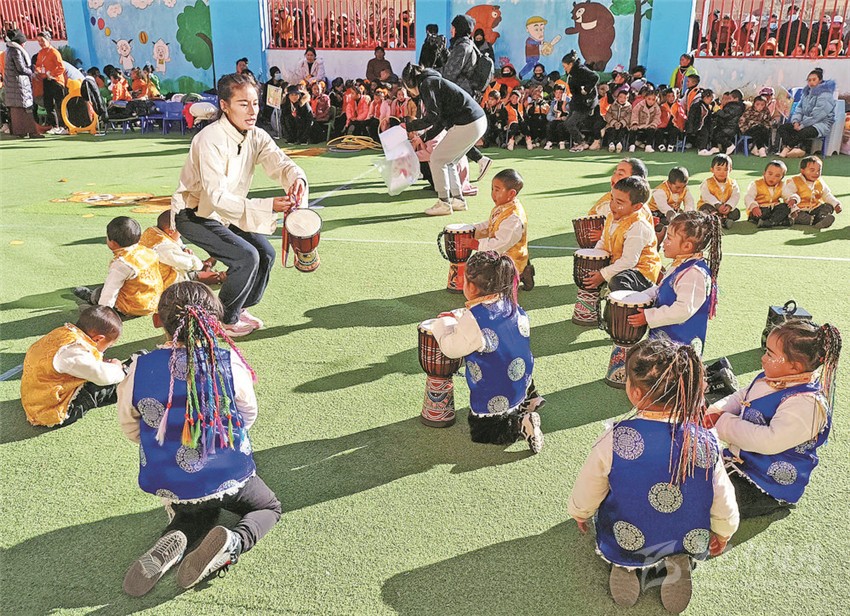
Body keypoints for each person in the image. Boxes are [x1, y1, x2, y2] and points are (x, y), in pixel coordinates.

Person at [119, 282, 281, 596]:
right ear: (214, 324)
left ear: (157, 320)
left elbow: (131, 429)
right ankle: (234, 542)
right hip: (229, 474)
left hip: (173, 483)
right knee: (269, 508)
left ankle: (178, 533)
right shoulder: (228, 362)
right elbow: (247, 415)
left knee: (196, 512)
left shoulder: (138, 369)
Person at [569, 337, 739, 612]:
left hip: (630, 531)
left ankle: (624, 565)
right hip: (685, 532)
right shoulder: (705, 441)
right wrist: (724, 529)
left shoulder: (614, 439)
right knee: (681, 531)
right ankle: (678, 560)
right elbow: (722, 493)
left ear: (635, 393)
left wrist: (580, 511)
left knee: (622, 535)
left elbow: (591, 484)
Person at [171, 72, 308, 337]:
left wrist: (297, 179)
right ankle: (223, 319)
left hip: (227, 212)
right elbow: (215, 196)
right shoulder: (209, 139)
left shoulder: (256, 135)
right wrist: (268, 206)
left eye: (255, 103)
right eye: (243, 104)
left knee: (265, 254)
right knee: (246, 257)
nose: (252, 110)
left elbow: (280, 163)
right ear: (224, 105)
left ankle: (240, 308)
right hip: (195, 213)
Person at [705, 320, 841, 519]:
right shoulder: (775, 377)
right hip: (739, 459)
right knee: (692, 476)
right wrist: (715, 411)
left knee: (706, 500)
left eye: (769, 354)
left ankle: (772, 504)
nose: (762, 358)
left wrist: (722, 422)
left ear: (795, 366)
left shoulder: (807, 404)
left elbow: (768, 441)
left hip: (764, 483)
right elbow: (742, 395)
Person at [430, 252, 544, 453]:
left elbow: (451, 349)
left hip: (498, 390)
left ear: (471, 287)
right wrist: (461, 316)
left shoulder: (474, 319)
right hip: (522, 378)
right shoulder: (509, 303)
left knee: (483, 431)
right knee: (508, 360)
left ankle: (522, 423)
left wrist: (442, 325)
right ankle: (530, 398)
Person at [628, 211, 721, 357]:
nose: (664, 241)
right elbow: (662, 289)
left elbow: (683, 310)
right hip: (667, 340)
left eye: (669, 238)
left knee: (672, 369)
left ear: (687, 246)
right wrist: (639, 297)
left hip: (680, 345)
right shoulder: (682, 264)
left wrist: (649, 316)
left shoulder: (693, 274)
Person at [402, 63, 487, 216]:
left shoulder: (426, 84)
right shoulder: (434, 82)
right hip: (477, 120)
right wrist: (423, 137)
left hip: (468, 122)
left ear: (410, 83)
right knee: (449, 161)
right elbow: (440, 121)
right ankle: (458, 199)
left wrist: (410, 126)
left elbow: (433, 117)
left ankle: (444, 202)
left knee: (437, 159)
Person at [21, 306, 125, 428]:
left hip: (36, 399)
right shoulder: (74, 352)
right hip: (53, 411)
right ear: (98, 338)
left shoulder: (64, 333)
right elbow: (103, 377)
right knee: (98, 387)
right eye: (109, 345)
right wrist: (118, 368)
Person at [73, 216, 164, 317]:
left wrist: (102, 314)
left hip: (131, 306)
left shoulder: (122, 264)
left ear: (113, 243)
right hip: (152, 303)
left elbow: (110, 291)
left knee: (99, 293)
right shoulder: (148, 251)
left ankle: (98, 304)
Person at [585, 176, 662, 293]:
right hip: (622, 267)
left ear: (637, 207)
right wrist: (594, 259)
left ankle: (649, 295)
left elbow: (629, 261)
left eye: (619, 202)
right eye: (612, 199)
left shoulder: (638, 226)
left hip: (642, 274)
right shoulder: (611, 216)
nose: (612, 205)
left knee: (618, 282)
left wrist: (602, 275)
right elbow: (604, 241)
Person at [464, 169, 535, 290]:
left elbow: (501, 243)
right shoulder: (503, 206)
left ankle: (521, 272)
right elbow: (491, 224)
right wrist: (472, 229)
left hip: (510, 260)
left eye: (497, 190)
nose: (493, 194)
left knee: (483, 281)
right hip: (500, 254)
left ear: (511, 194)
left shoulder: (514, 218)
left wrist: (476, 244)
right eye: (492, 189)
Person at [140, 211, 221, 287]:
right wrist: (199, 264)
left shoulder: (153, 232)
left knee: (192, 267)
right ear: (171, 231)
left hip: (157, 270)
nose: (181, 234)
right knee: (193, 275)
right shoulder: (163, 247)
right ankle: (216, 275)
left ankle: (205, 266)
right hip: (163, 281)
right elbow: (188, 263)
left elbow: (175, 240)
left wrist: (183, 248)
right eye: (181, 232)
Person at [777, 68, 835, 159]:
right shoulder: (806, 93)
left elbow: (818, 115)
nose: (811, 82)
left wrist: (802, 125)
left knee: (804, 132)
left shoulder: (826, 95)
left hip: (820, 124)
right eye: (809, 80)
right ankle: (796, 148)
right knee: (782, 128)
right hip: (804, 122)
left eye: (814, 80)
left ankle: (787, 148)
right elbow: (799, 109)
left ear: (820, 81)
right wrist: (796, 122)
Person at [783, 155, 843, 229]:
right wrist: (793, 200)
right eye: (812, 170)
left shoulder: (820, 182)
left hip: (815, 208)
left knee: (828, 206)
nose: (816, 173)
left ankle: (821, 218)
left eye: (819, 170)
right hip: (799, 209)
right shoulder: (794, 181)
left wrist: (836, 204)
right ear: (802, 170)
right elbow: (788, 193)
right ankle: (815, 220)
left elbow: (827, 195)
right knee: (795, 214)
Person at [3, 28, 41, 138]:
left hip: (12, 85)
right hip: (19, 84)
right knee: (26, 109)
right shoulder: (16, 51)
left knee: (17, 111)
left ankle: (21, 131)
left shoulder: (9, 50)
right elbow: (21, 68)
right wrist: (32, 72)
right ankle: (31, 131)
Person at [561, 50, 600, 152]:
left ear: (571, 64)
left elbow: (595, 77)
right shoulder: (571, 73)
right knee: (567, 123)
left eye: (565, 66)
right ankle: (580, 140)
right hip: (577, 101)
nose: (564, 68)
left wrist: (587, 89)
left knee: (570, 123)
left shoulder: (581, 70)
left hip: (586, 103)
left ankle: (581, 142)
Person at [34, 29, 67, 134]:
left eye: (42, 40)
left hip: (56, 81)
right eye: (39, 41)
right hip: (46, 80)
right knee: (48, 104)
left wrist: (51, 74)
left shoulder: (54, 52)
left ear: (48, 40)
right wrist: (38, 71)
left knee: (60, 104)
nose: (40, 43)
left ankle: (65, 126)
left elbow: (61, 67)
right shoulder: (40, 53)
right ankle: (54, 125)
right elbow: (38, 65)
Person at [698, 154, 741, 229]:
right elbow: (706, 196)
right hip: (711, 206)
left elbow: (735, 196)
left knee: (736, 213)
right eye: (718, 169)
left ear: (730, 170)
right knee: (705, 210)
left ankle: (720, 220)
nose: (722, 172)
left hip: (725, 207)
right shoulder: (707, 182)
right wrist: (717, 205)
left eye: (726, 169)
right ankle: (721, 220)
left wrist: (729, 206)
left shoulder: (733, 183)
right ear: (712, 170)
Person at [745, 160, 791, 228]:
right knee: (764, 212)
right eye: (770, 174)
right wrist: (754, 206)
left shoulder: (782, 185)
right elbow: (749, 197)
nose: (772, 178)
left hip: (773, 209)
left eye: (777, 176)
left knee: (785, 207)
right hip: (759, 209)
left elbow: (788, 196)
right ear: (764, 173)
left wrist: (792, 200)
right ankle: (778, 222)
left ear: (782, 178)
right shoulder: (756, 184)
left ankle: (769, 222)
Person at [708, 89, 745, 156]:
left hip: (730, 127)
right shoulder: (733, 106)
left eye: (730, 98)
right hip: (726, 125)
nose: (728, 100)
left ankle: (730, 145)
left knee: (718, 136)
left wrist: (718, 110)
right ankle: (715, 147)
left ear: (736, 99)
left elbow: (725, 115)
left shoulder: (735, 107)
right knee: (713, 132)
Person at [628, 88, 661, 153]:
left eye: (653, 100)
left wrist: (653, 124)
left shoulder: (657, 108)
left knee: (651, 131)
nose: (651, 101)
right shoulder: (640, 105)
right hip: (639, 124)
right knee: (633, 130)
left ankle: (648, 146)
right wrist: (634, 123)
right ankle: (631, 145)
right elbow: (634, 114)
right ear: (645, 98)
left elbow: (657, 118)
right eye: (649, 99)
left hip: (649, 125)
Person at [602, 87, 631, 153]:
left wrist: (621, 123)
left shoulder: (629, 107)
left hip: (624, 125)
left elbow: (629, 116)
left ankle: (619, 143)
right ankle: (611, 143)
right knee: (611, 131)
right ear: (617, 97)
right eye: (620, 97)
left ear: (627, 99)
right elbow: (608, 115)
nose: (622, 99)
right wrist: (614, 122)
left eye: (625, 98)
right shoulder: (612, 105)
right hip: (612, 124)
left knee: (622, 131)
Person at [543, 84, 570, 150]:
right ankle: (549, 142)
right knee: (550, 124)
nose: (558, 95)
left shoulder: (569, 102)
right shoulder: (554, 102)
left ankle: (562, 142)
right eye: (556, 93)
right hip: (557, 119)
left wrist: (564, 106)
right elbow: (549, 116)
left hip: (567, 120)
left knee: (560, 125)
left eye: (560, 93)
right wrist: (555, 118)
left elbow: (571, 113)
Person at [688, 89, 715, 154]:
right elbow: (691, 117)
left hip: (703, 126)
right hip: (696, 126)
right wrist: (690, 128)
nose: (711, 101)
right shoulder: (696, 106)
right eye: (710, 99)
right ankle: (701, 149)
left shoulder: (708, 106)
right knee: (704, 131)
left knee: (707, 130)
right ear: (705, 97)